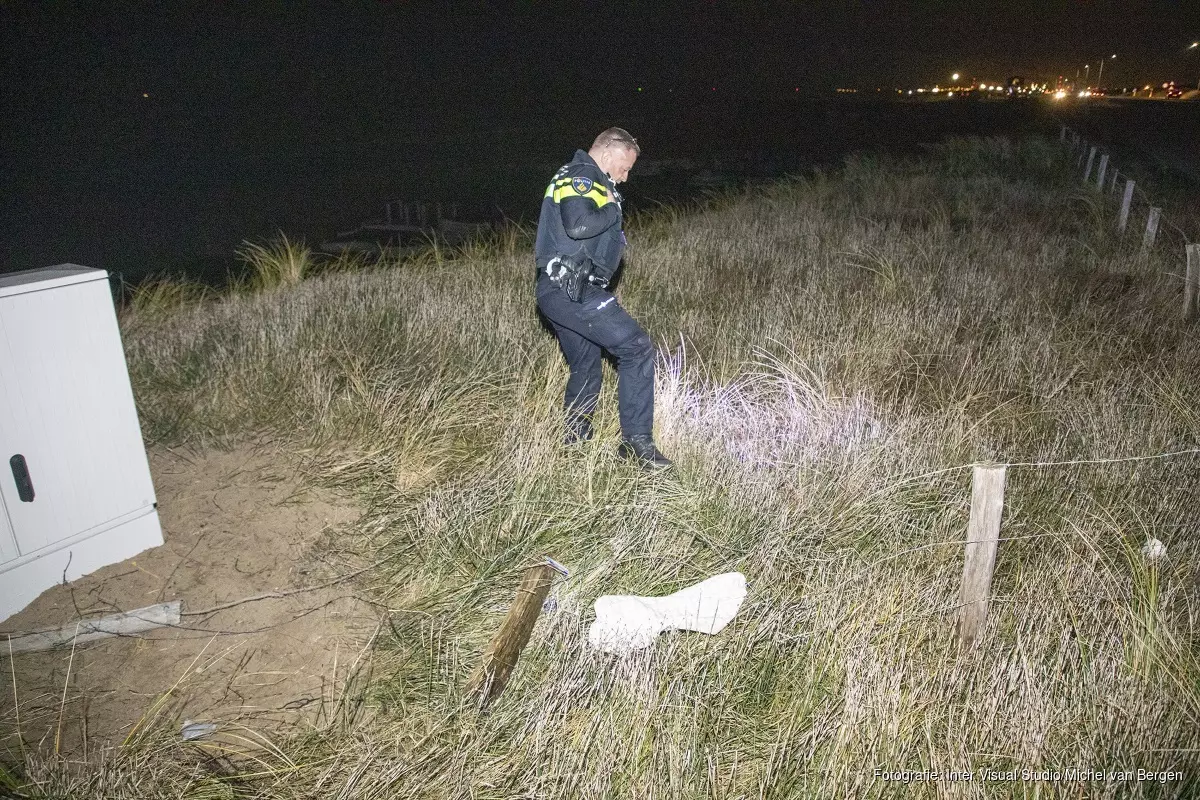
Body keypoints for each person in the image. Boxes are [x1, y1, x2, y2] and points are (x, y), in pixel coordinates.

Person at [534, 127, 672, 470]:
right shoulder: (583, 175)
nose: (624, 177)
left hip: (559, 290)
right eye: (624, 168)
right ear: (608, 154)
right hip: (571, 289)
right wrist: (612, 206)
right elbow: (578, 225)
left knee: (586, 366)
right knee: (636, 348)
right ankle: (637, 444)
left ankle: (575, 441)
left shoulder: (578, 175)